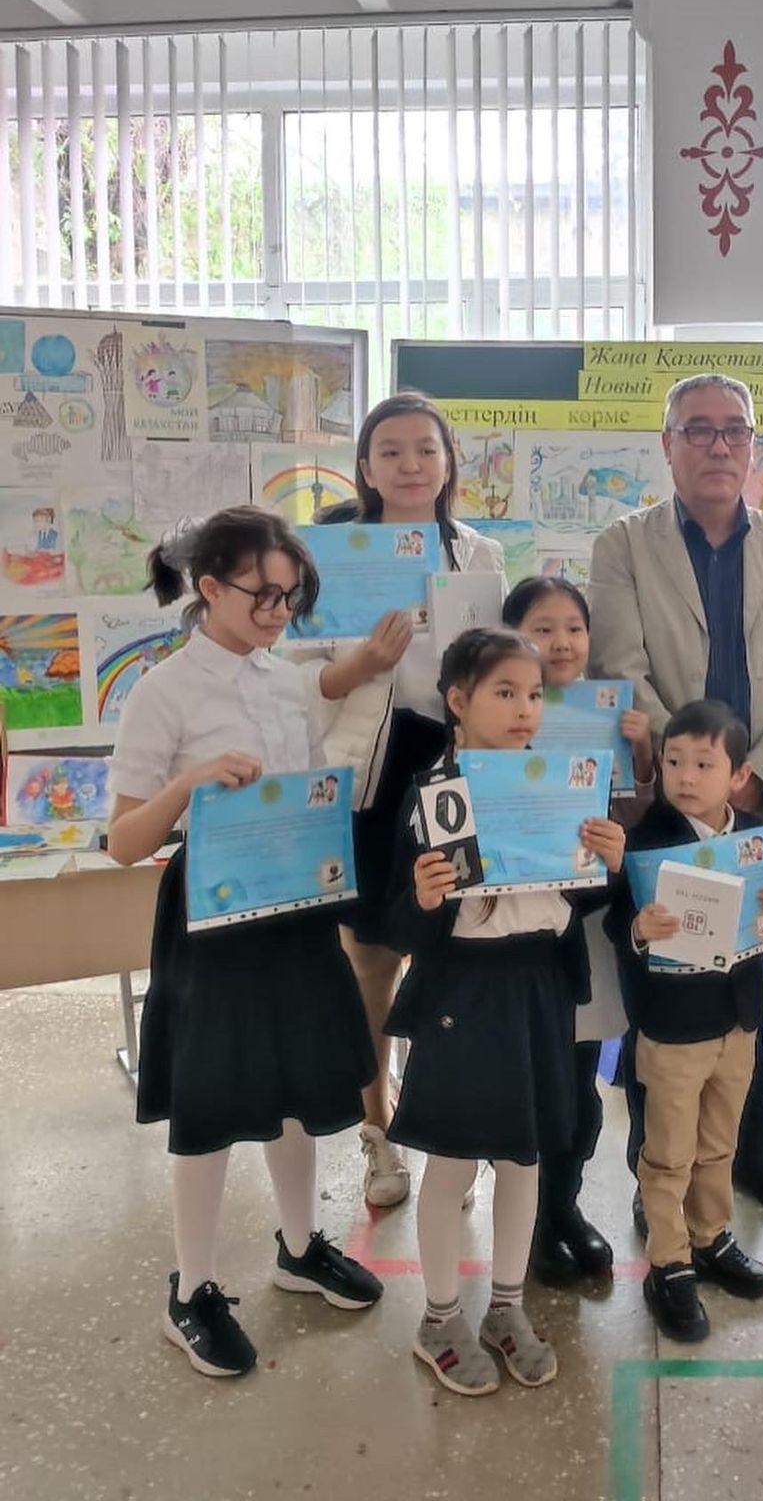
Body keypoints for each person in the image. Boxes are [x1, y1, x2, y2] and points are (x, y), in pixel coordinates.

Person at [106, 507, 383, 1380]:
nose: (278, 612)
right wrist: (190, 783)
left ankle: (299, 1247)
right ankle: (190, 1291)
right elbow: (122, 840)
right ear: (208, 587)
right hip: (213, 914)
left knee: (296, 1079)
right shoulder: (162, 692)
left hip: (294, 902)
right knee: (214, 1095)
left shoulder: (288, 682)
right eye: (262, 594)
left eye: (290, 596)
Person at [589, 372, 763, 1217]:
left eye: (735, 429)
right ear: (668, 444)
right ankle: (654, 1179)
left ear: (753, 446)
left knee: (749, 989)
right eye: (698, 429)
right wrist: (693, 777)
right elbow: (621, 670)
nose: (719, 444)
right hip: (668, 810)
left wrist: (753, 776)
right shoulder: (623, 546)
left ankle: (749, 1159)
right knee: (665, 993)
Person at [383, 627, 626, 1398]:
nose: (526, 709)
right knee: (453, 1162)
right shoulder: (436, 793)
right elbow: (401, 920)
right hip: (464, 994)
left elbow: (578, 897)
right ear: (458, 701)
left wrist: (609, 863)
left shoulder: (561, 784)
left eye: (533, 695)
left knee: (525, 1157)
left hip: (538, 988)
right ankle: (438, 1318)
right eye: (505, 693)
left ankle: (506, 1307)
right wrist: (423, 901)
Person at [298, 391, 507, 1209]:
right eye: (391, 451)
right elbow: (297, 679)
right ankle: (376, 1133)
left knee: (453, 947)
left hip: (454, 768)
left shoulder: (478, 553)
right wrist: (361, 665)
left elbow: (500, 667)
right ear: (365, 466)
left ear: (449, 462)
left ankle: (446, 1129)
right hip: (372, 774)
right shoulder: (330, 555)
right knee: (372, 961)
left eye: (426, 448)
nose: (411, 464)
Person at [606, 700, 763, 1342]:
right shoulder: (647, 838)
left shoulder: (754, 838)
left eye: (703, 764)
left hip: (738, 1021)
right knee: (668, 1154)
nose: (686, 776)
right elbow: (616, 923)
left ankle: (711, 1237)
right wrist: (639, 928)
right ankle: (668, 1264)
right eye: (674, 762)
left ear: (738, 774)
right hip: (671, 1027)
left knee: (720, 1141)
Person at [502, 575, 655, 1285]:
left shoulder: (607, 714)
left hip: (591, 924)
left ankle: (563, 1209)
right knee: (539, 1086)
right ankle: (532, 1228)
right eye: (542, 628)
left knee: (583, 1086)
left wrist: (642, 756)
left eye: (573, 628)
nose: (561, 643)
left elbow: (635, 821)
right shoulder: (499, 717)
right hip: (526, 931)